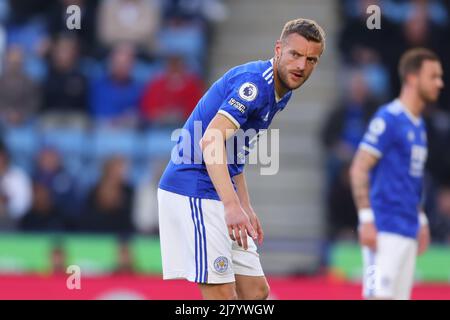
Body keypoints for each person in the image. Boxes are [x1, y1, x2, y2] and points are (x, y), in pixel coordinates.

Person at [157, 19, 325, 300]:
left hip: (218, 188)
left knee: (256, 292)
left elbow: (236, 149)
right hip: (193, 187)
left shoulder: (282, 92)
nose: (301, 66)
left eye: (311, 60)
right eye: (295, 55)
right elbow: (210, 140)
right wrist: (232, 205)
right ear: (278, 49)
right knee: (222, 294)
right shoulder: (256, 85)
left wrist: (244, 205)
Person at [349, 48, 444, 300]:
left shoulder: (419, 124)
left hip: (407, 228)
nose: (440, 83)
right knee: (378, 295)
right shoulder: (389, 118)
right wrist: (367, 219)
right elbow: (359, 166)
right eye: (433, 76)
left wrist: (421, 220)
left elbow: (412, 178)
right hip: (384, 227)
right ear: (412, 78)